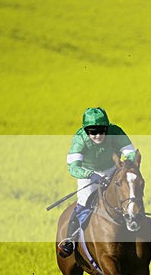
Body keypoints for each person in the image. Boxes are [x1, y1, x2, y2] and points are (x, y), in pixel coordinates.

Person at [57, 107, 137, 257]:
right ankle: (70, 239)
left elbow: (130, 152)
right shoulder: (79, 139)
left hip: (114, 169)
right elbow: (73, 167)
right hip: (88, 173)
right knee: (83, 202)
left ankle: (144, 224)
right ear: (86, 131)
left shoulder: (116, 132)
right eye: (93, 132)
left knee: (130, 194)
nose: (98, 135)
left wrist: (125, 165)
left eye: (102, 131)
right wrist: (90, 175)